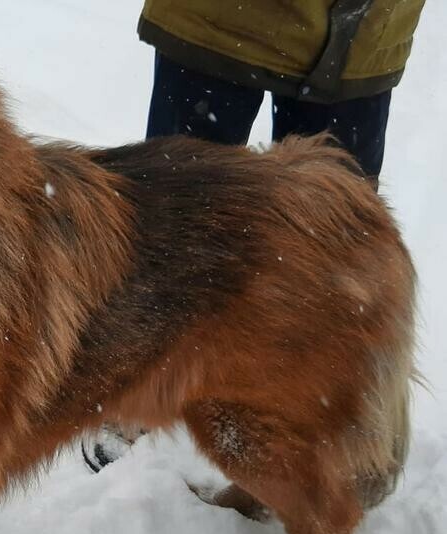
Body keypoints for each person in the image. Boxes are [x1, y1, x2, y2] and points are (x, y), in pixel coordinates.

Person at [84, 0, 425, 473]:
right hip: (221, 22)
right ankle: (139, 388)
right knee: (175, 223)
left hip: (363, 32)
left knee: (333, 243)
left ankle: (324, 408)